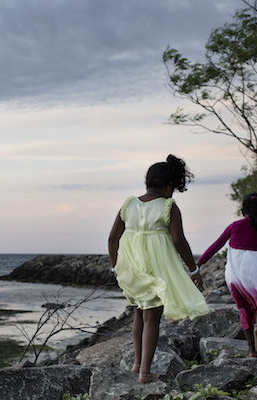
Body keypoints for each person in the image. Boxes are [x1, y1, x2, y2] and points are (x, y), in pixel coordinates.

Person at [108, 155, 209, 384]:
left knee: (138, 313)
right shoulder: (168, 206)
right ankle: (145, 373)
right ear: (169, 185)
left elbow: (113, 238)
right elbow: (179, 241)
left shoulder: (129, 204)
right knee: (152, 319)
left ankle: (136, 365)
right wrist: (193, 270)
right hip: (155, 268)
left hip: (130, 267)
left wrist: (116, 266)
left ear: (147, 181)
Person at [196, 193, 257, 357]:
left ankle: (251, 350)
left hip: (236, 272)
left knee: (243, 308)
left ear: (243, 209)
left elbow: (216, 246)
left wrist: (198, 264)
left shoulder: (235, 226)